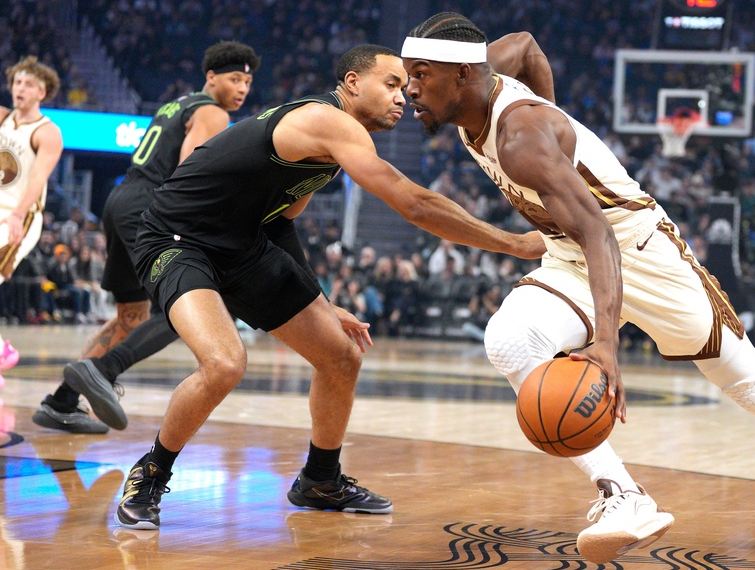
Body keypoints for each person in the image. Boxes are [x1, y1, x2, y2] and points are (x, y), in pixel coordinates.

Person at [401, 12, 755, 564]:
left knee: (751, 384)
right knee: (509, 340)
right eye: (408, 74)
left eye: (421, 73)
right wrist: (555, 120)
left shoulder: (521, 139)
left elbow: (600, 233)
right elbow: (525, 45)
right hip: (569, 251)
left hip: (638, 249)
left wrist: (606, 346)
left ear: (463, 74)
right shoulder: (484, 79)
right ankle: (624, 495)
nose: (410, 88)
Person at [114, 44, 543, 530]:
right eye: (392, 84)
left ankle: (320, 479)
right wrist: (513, 243)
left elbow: (280, 224)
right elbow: (415, 204)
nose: (403, 96)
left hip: (243, 245)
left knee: (341, 356)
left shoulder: (331, 150)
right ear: (352, 83)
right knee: (225, 363)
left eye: (405, 87)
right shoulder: (327, 121)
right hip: (177, 238)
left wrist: (319, 300)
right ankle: (151, 473)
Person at [32, 41, 262, 435]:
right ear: (211, 77)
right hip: (152, 208)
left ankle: (62, 402)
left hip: (121, 200)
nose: (242, 89)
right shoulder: (213, 112)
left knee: (131, 315)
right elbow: (191, 172)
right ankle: (105, 370)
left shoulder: (176, 105)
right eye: (234, 79)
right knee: (180, 310)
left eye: (247, 82)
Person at [0, 56, 65, 384]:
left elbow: (38, 179)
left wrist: (16, 215)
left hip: (20, 216)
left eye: (28, 84)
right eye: (17, 82)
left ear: (42, 91)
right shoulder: (2, 117)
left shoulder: (48, 132)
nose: (20, 88)